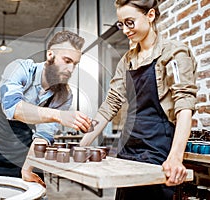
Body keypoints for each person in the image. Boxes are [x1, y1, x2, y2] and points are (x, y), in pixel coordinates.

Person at [80, 0, 197, 199]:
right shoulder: (127, 60)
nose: (125, 30)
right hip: (128, 149)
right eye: (121, 24)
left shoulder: (174, 53)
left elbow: (184, 106)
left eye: (130, 22)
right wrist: (80, 147)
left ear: (150, 15)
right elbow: (110, 104)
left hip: (158, 151)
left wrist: (175, 158)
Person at [0, 30, 91, 187]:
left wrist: (28, 167)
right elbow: (13, 108)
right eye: (66, 60)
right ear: (50, 55)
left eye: (75, 64)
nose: (70, 69)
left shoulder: (64, 96)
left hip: (25, 145)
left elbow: (42, 135)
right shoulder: (20, 69)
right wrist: (58, 115)